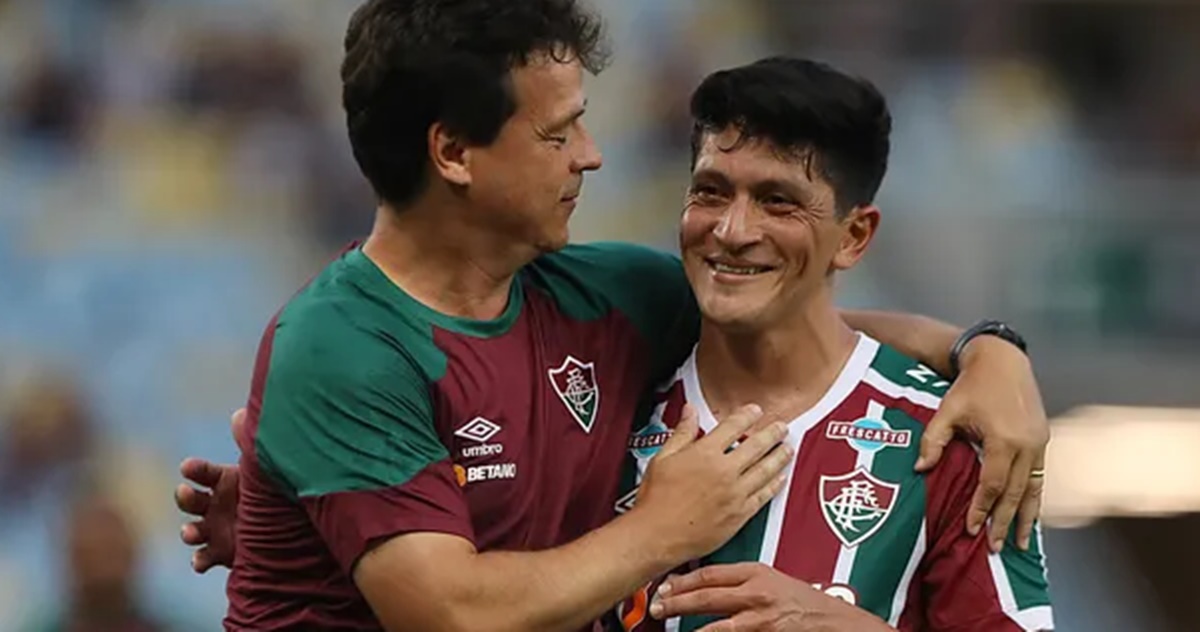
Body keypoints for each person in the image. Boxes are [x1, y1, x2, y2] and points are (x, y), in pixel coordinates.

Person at [173, 1, 1050, 630]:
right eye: (559, 134)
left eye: (776, 201)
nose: (591, 156)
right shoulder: (343, 345)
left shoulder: (600, 301)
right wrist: (664, 529)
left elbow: (804, 312)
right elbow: (452, 614)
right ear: (453, 152)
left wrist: (992, 356)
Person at [613, 57, 1052, 632]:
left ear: (853, 236)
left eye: (778, 201)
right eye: (712, 192)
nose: (732, 231)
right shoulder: (602, 404)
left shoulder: (950, 435)